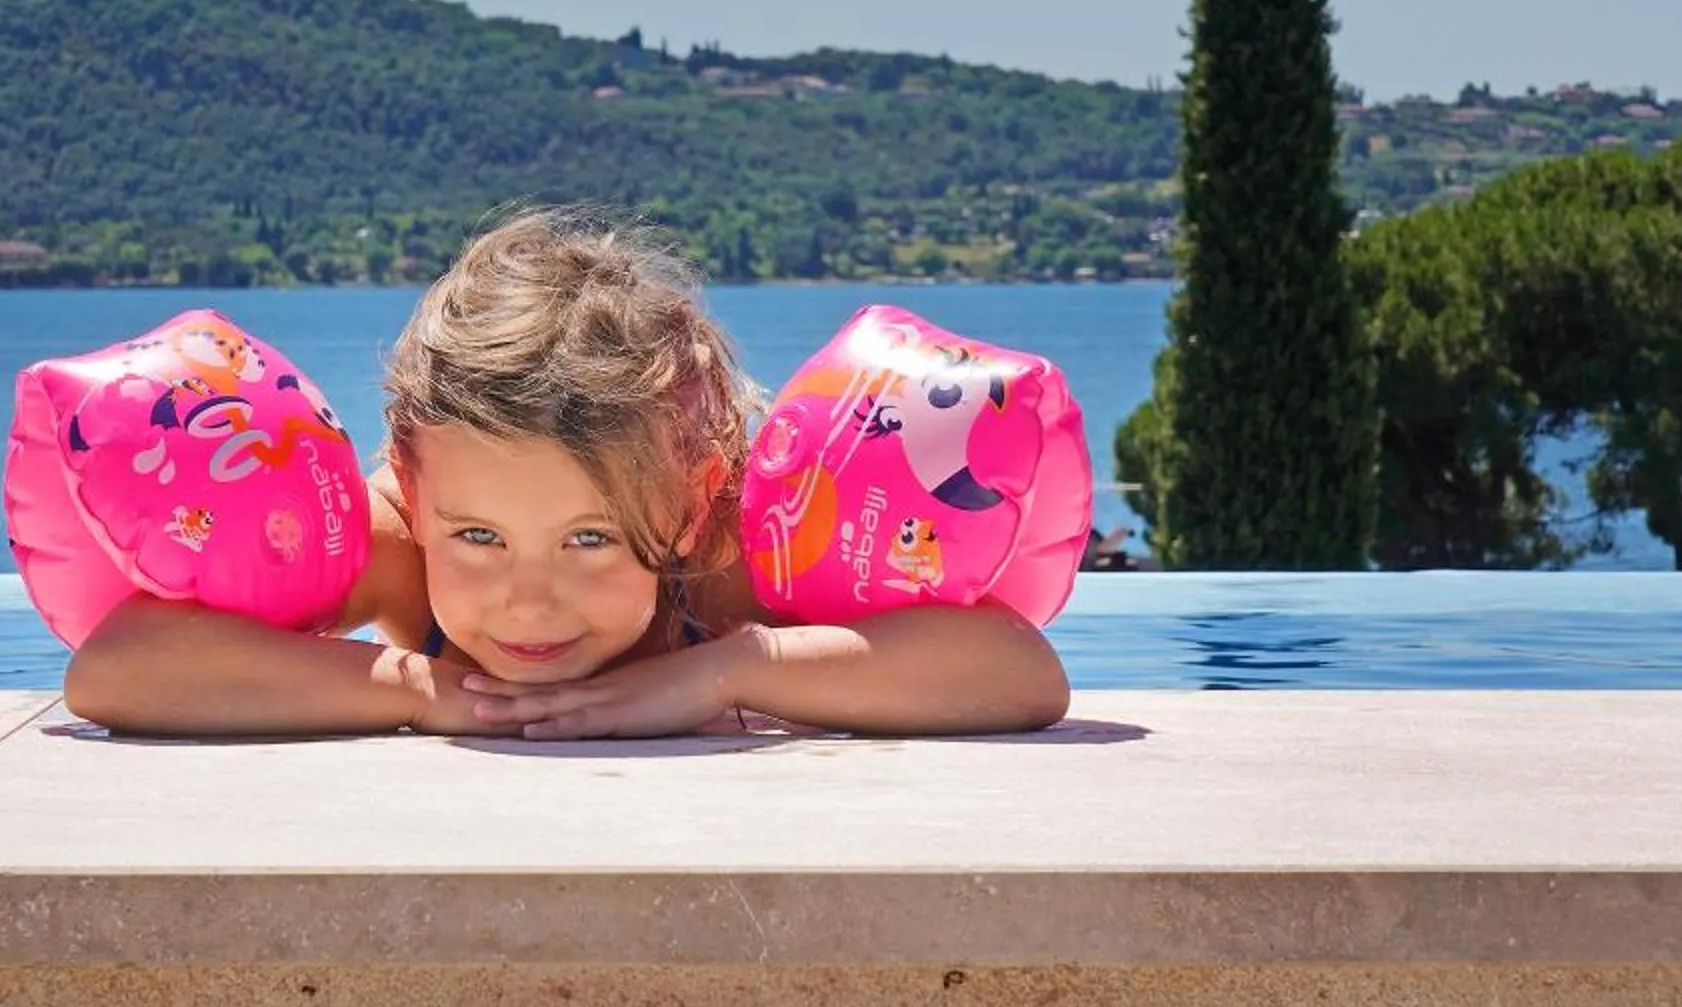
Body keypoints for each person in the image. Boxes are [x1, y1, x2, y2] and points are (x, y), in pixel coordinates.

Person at [64, 209, 1070, 740]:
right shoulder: (400, 549)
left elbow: (1019, 674)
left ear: (687, 504)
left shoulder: (726, 569)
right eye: (479, 537)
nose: (528, 600)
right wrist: (414, 689)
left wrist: (727, 670)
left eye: (591, 539)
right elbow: (118, 670)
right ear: (413, 486)